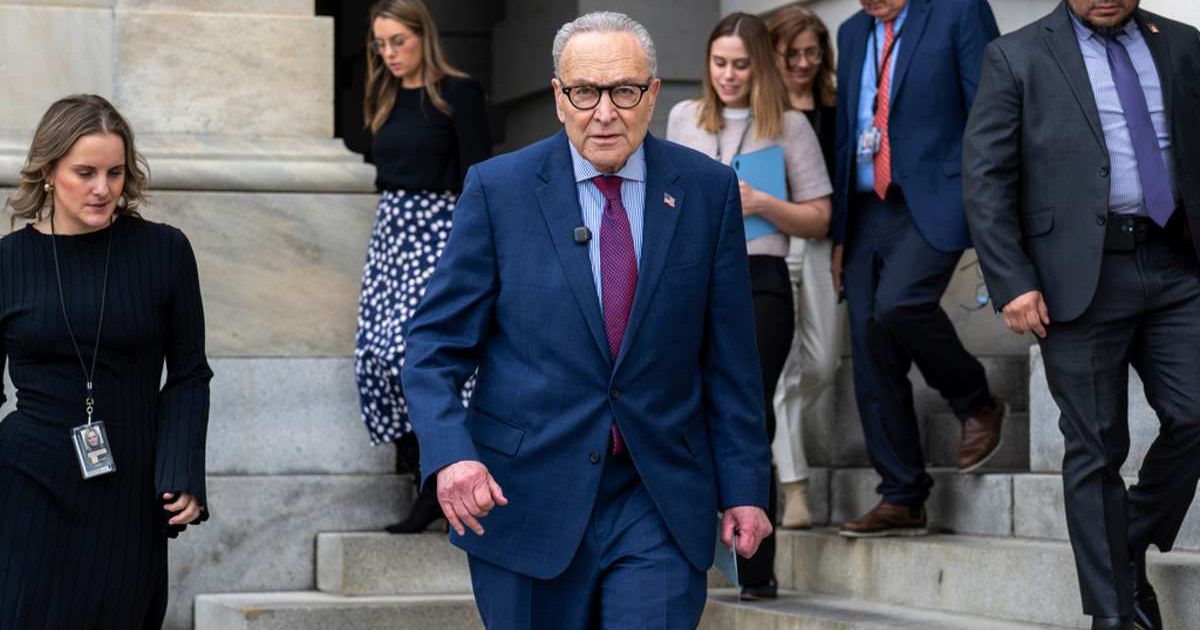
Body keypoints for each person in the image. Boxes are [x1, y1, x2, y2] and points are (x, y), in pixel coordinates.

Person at [402, 11, 773, 627]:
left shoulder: (706, 193)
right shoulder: (499, 190)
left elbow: (732, 361)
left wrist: (744, 488)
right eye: (585, 92)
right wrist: (451, 456)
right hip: (523, 498)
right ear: (558, 97)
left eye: (625, 90)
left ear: (652, 93)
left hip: (658, 497)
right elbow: (433, 349)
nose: (606, 112)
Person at [964, 1, 1200, 627]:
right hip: (1076, 275)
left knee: (1196, 413)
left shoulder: (1183, 44)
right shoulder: (1015, 56)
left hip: (1177, 262)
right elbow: (985, 175)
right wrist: (1011, 281)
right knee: (1095, 447)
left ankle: (1121, 542)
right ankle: (1112, 614)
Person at [0, 94, 212, 629]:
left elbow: (189, 375)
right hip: (27, 484)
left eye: (115, 172)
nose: (102, 188)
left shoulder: (164, 252)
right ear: (48, 171)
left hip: (130, 487)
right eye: (85, 172)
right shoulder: (8, 261)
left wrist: (181, 469)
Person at [665, 11, 830, 600]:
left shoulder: (787, 124)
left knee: (749, 410)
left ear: (759, 64)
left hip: (760, 275)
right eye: (719, 63)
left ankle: (755, 568)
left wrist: (760, 200)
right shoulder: (684, 117)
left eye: (740, 64)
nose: (729, 75)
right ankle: (689, 546)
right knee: (686, 407)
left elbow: (819, 216)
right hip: (691, 280)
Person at [831, 0, 1003, 538]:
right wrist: (840, 230)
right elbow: (846, 132)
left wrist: (991, 204)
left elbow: (990, 108)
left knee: (900, 304)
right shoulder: (853, 30)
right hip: (865, 209)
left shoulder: (958, 11)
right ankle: (902, 494)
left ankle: (975, 400)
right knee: (868, 345)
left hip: (935, 197)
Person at [353, 0, 492, 534]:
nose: (388, 54)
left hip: (439, 234)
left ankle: (439, 482)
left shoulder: (457, 92)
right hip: (390, 235)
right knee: (374, 359)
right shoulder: (383, 95)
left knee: (415, 355)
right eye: (380, 44)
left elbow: (477, 176)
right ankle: (427, 481)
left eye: (398, 42)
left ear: (422, 37)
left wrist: (471, 250)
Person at [766, 2, 843, 531]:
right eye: (792, 53)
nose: (802, 63)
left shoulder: (835, 106)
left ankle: (777, 438)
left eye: (812, 52)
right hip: (769, 245)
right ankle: (795, 487)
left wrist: (844, 242)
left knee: (820, 363)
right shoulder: (759, 108)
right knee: (783, 371)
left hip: (819, 243)